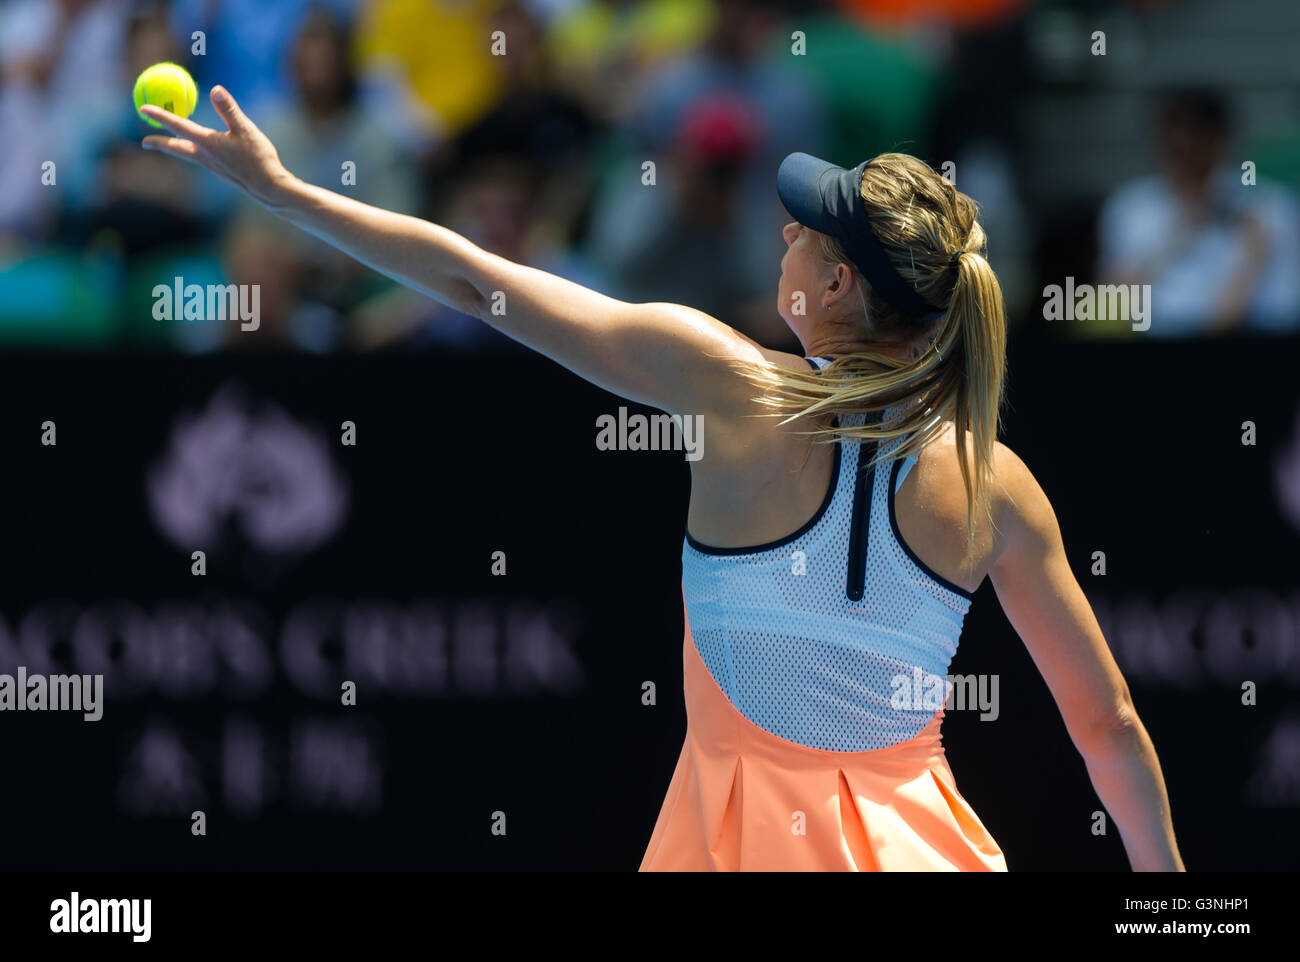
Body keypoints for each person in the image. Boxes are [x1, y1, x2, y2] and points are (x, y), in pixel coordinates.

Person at [139, 87, 1185, 872]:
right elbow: (1108, 725)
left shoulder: (724, 384)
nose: (782, 229)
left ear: (831, 285)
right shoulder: (997, 482)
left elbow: (473, 279)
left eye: (805, 228)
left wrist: (280, 194)